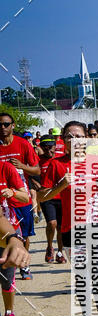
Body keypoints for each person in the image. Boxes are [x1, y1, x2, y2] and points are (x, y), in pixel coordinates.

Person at [39, 121, 98, 316]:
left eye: (79, 136)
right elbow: (42, 197)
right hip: (72, 228)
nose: (75, 140)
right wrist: (60, 186)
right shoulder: (56, 165)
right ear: (63, 140)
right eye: (69, 137)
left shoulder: (96, 162)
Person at [0, 111, 40, 280]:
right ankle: (8, 268)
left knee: (23, 234)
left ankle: (24, 264)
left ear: (13, 126)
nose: (3, 128)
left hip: (21, 195)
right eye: (0, 125)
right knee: (6, 234)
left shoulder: (23, 144)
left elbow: (37, 170)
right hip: (3, 198)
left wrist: (22, 166)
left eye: (6, 124)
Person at [0, 159, 29, 316]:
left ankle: (9, 312)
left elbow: (25, 196)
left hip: (6, 229)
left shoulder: (5, 167)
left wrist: (12, 192)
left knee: (6, 278)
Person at [34, 136, 67, 263]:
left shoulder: (60, 160)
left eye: (51, 146)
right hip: (47, 197)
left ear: (55, 146)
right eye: (45, 147)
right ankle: (49, 246)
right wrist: (36, 185)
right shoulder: (37, 161)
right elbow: (30, 174)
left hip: (61, 197)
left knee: (61, 227)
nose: (48, 149)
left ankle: (59, 252)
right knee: (51, 223)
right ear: (41, 148)